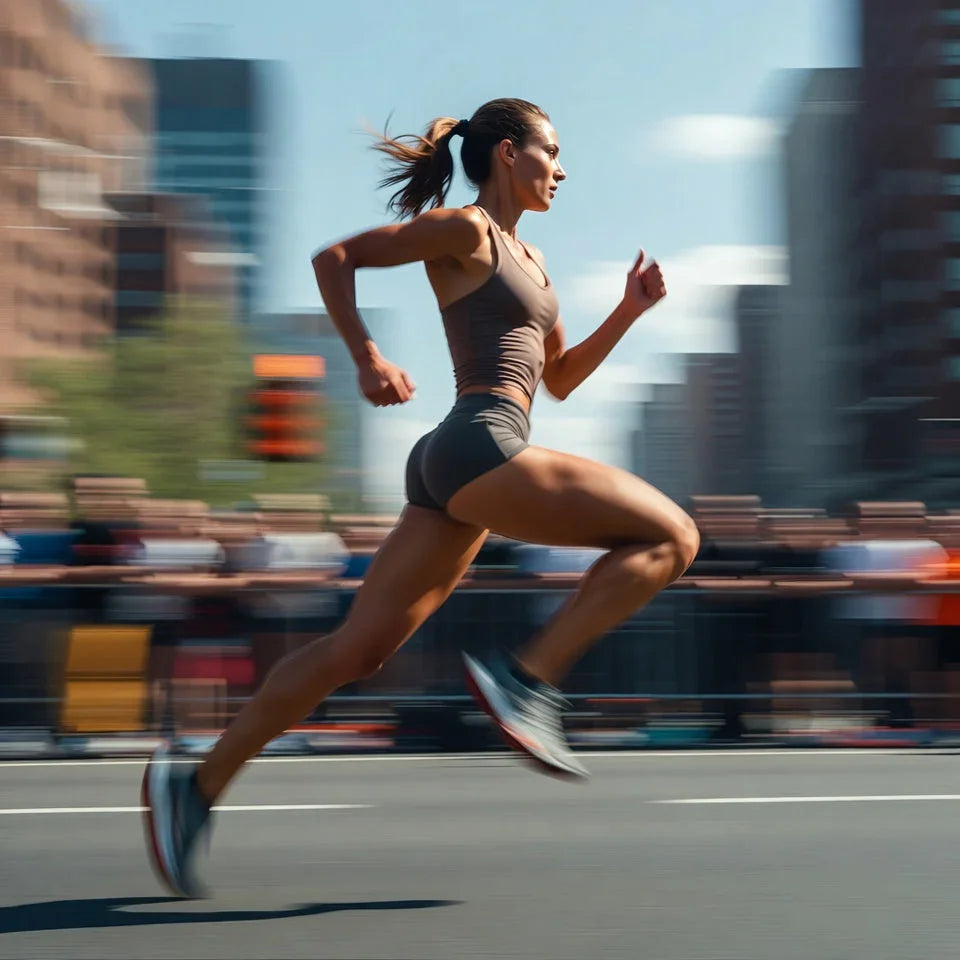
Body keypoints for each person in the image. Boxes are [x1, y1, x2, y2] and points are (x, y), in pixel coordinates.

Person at [141, 97, 700, 897]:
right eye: (551, 152)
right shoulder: (467, 231)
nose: (562, 169)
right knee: (674, 538)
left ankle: (193, 788)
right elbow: (335, 258)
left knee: (356, 652)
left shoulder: (533, 262)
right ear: (507, 153)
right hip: (480, 444)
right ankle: (528, 681)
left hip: (457, 465)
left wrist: (629, 309)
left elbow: (561, 378)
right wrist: (367, 357)